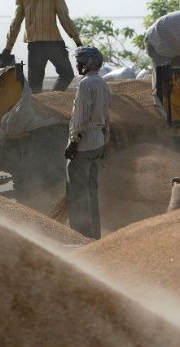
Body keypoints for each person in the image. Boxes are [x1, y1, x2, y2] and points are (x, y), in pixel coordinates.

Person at [2, 0, 83, 93]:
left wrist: (8, 48)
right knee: (67, 74)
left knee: (35, 86)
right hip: (54, 44)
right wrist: (77, 41)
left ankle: (40, 108)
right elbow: (65, 19)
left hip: (35, 45)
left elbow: (15, 23)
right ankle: (54, 98)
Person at [64, 47, 110, 239]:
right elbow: (106, 117)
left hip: (83, 145)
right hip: (97, 142)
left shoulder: (85, 84)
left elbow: (81, 117)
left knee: (77, 193)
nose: (77, 65)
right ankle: (94, 234)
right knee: (91, 190)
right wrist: (105, 141)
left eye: (80, 62)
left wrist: (73, 142)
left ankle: (79, 235)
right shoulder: (102, 83)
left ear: (89, 63)